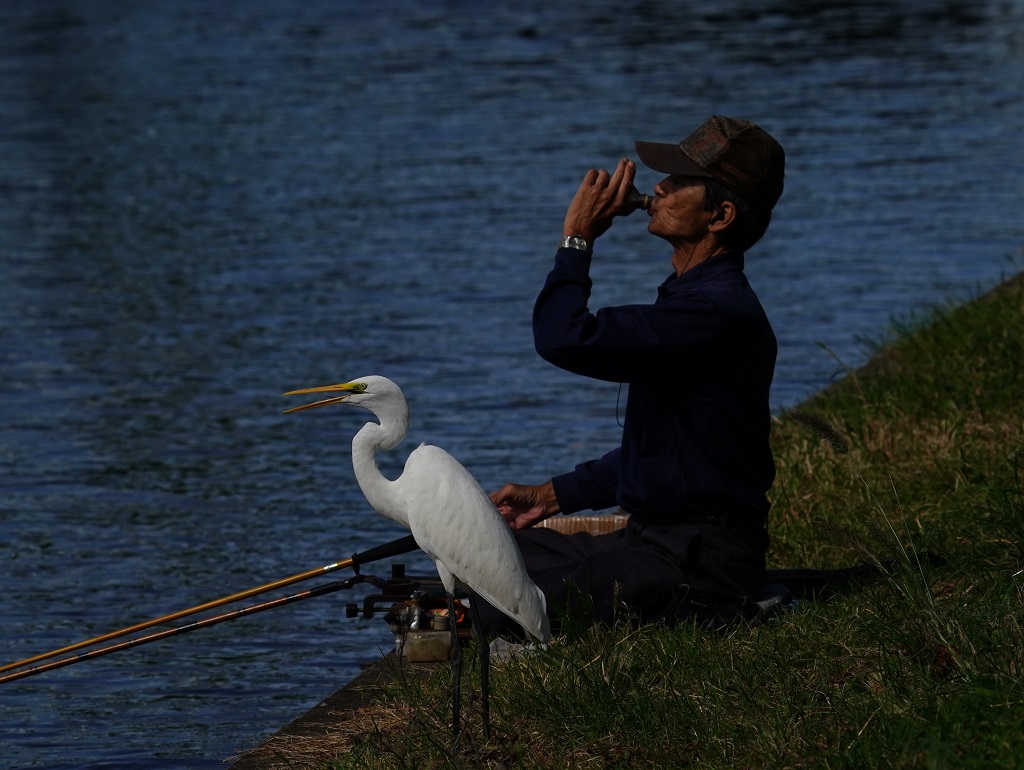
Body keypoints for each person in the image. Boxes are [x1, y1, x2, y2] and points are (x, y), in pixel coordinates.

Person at [476, 115, 786, 634]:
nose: (658, 188)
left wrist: (577, 239)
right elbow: (667, 457)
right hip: (652, 540)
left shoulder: (711, 315)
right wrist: (551, 495)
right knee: (487, 555)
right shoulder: (690, 303)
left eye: (679, 182)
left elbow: (562, 336)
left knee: (503, 600)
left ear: (721, 215)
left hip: (699, 560)